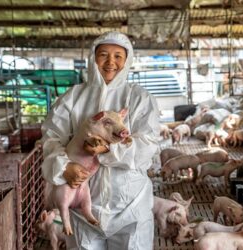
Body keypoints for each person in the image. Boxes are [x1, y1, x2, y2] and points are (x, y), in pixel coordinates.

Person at [40, 31, 160, 250]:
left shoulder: (140, 99)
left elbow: (148, 144)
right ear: (92, 58)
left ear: (127, 60)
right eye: (103, 54)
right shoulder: (73, 98)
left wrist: (105, 151)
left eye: (118, 56)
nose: (110, 62)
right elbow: (51, 139)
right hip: (83, 206)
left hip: (130, 206)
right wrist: (64, 167)